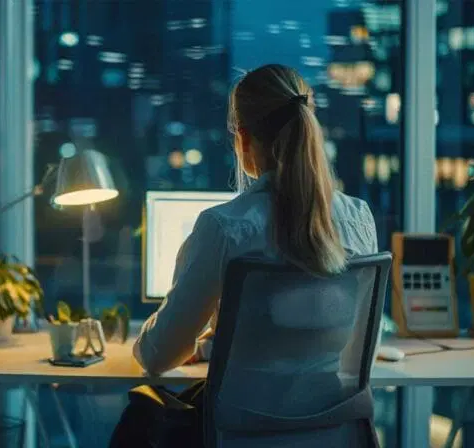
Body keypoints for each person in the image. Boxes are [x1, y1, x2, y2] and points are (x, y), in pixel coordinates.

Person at [110, 64, 379, 447]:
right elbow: (352, 340)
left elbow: (157, 355)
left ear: (243, 137)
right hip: (336, 438)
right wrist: (217, 343)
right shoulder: (358, 219)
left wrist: (174, 337)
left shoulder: (225, 228)